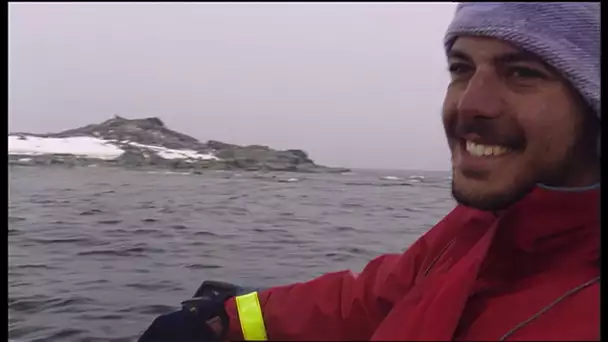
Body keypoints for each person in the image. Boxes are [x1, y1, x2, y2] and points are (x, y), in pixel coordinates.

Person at [139, 2, 600, 341]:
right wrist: (234, 320)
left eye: (522, 73)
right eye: (461, 68)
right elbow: (369, 301)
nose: (469, 104)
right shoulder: (482, 226)